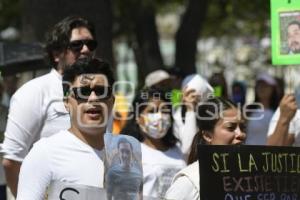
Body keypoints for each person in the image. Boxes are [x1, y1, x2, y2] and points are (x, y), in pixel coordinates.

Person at [2, 16, 98, 197]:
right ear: (57, 53)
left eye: (91, 44)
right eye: (77, 45)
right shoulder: (34, 92)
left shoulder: (101, 94)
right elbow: (12, 161)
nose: (85, 50)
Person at [16, 57, 115, 199]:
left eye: (101, 91)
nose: (93, 99)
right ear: (67, 102)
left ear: (112, 101)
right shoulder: (45, 153)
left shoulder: (127, 153)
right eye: (84, 92)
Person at [165, 97, 246, 200]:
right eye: (230, 127)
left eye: (243, 127)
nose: (241, 134)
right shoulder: (190, 182)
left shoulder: (251, 177)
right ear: (208, 136)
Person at [121, 88, 186, 199]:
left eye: (164, 111)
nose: (160, 116)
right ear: (137, 117)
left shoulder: (178, 150)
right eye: (152, 111)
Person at [173, 74, 214, 159]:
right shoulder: (178, 115)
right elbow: (187, 149)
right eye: (187, 96)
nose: (189, 101)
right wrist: (190, 110)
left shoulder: (210, 117)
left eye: (195, 99)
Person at [246, 73, 278, 145]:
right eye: (259, 86)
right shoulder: (248, 111)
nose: (262, 89)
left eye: (265, 86)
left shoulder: (278, 112)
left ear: (272, 89)